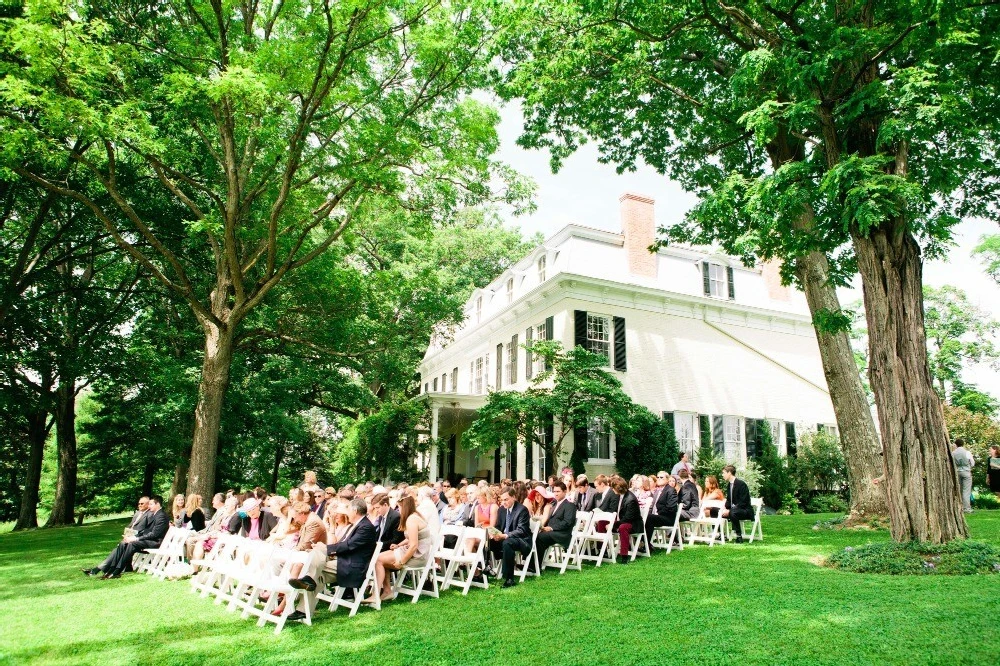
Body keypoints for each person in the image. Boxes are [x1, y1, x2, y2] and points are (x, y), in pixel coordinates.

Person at [286, 498, 377, 621]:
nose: (346, 513)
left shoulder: (365, 527)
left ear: (355, 510)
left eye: (348, 510)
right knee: (316, 559)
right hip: (344, 561)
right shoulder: (358, 525)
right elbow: (345, 546)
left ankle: (306, 588)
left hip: (353, 567)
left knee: (316, 560)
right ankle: (303, 608)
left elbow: (348, 545)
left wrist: (326, 548)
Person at [83, 495, 169, 579]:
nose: (149, 507)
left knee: (131, 544)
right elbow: (145, 531)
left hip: (156, 542)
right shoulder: (155, 514)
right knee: (123, 543)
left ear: (157, 504)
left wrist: (135, 538)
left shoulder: (161, 516)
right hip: (149, 540)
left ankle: (117, 571)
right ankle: (111, 570)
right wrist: (133, 537)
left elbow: (154, 534)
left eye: (151, 504)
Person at [372, 495, 433, 602]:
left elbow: (414, 545)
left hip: (417, 556)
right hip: (413, 551)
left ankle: (377, 594)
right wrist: (399, 545)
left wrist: (401, 561)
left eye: (399, 507)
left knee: (378, 560)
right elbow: (411, 538)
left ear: (404, 507)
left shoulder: (412, 520)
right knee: (379, 558)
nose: (398, 510)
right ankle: (386, 591)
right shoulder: (415, 516)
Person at [491, 488, 531, 587]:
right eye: (502, 500)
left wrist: (505, 535)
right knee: (488, 540)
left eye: (506, 499)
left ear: (513, 497)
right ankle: (486, 566)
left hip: (521, 540)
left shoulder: (522, 510)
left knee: (507, 543)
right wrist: (494, 533)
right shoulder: (502, 509)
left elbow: (522, 530)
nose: (503, 502)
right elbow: (498, 526)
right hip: (505, 538)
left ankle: (509, 578)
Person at [535, 481, 577, 564]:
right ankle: (531, 564)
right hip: (551, 533)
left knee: (539, 537)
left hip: (562, 534)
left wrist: (551, 528)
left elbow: (567, 522)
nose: (556, 494)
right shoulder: (554, 504)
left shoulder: (570, 505)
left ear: (565, 492)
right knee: (534, 535)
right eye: (554, 491)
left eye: (558, 491)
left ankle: (535, 566)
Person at [608, 476, 643, 564]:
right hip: (623, 521)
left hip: (633, 523)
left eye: (613, 488)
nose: (612, 489)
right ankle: (602, 550)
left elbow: (628, 518)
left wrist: (613, 524)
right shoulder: (618, 496)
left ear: (617, 489)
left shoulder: (630, 499)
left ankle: (624, 555)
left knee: (623, 527)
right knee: (602, 522)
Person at [721, 465, 753, 543]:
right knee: (715, 511)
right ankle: (720, 535)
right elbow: (729, 500)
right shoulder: (729, 485)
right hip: (734, 510)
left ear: (729, 473)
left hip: (745, 510)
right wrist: (724, 509)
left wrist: (730, 510)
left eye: (724, 473)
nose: (722, 475)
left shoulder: (741, 484)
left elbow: (743, 502)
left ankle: (739, 536)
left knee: (732, 512)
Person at [644, 470, 679, 542]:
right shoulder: (657, 491)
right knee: (642, 517)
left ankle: (646, 544)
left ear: (667, 479)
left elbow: (671, 508)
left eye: (661, 477)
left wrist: (658, 513)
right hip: (656, 516)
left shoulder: (671, 490)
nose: (659, 479)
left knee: (648, 518)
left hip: (667, 518)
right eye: (658, 477)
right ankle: (639, 542)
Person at [951, 438, 975, 514]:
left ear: (956, 444)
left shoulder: (953, 453)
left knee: (959, 490)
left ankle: (959, 506)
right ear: (963, 444)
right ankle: (966, 508)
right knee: (966, 491)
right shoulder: (967, 452)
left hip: (957, 471)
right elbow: (972, 463)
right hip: (966, 471)